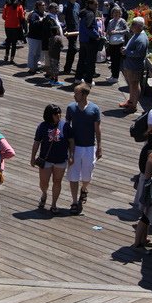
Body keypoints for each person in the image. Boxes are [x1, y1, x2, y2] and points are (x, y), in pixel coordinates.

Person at [30, 104, 74, 214]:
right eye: (56, 114)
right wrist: (32, 157)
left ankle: (54, 204)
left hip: (61, 159)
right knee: (43, 182)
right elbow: (36, 142)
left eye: (60, 113)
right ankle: (44, 193)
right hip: (46, 159)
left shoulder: (65, 126)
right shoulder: (42, 126)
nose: (59, 115)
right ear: (50, 115)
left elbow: (71, 141)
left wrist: (71, 155)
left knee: (57, 182)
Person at [65, 84, 101, 214]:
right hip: (75, 147)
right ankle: (74, 201)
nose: (74, 96)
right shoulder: (71, 108)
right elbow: (67, 127)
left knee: (87, 175)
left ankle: (84, 188)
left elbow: (97, 129)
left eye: (77, 93)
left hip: (89, 147)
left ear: (84, 95)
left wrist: (100, 146)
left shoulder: (94, 109)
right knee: (73, 175)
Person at [120, 17, 148, 113]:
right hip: (130, 65)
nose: (131, 26)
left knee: (135, 85)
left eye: (133, 24)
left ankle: (133, 106)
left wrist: (126, 52)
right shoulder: (137, 34)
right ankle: (130, 101)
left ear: (139, 26)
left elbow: (139, 53)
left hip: (135, 66)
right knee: (132, 85)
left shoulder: (141, 38)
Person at [74, 0, 99, 87]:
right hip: (90, 40)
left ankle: (77, 78)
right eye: (95, 4)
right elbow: (89, 27)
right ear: (90, 4)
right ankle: (88, 81)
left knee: (81, 60)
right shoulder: (90, 14)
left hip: (83, 40)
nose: (97, 6)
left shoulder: (83, 13)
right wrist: (97, 35)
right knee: (90, 61)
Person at [105, 7, 128, 84]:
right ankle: (113, 75)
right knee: (112, 60)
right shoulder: (110, 21)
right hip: (112, 43)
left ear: (120, 13)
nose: (116, 14)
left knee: (117, 60)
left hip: (119, 43)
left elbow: (127, 31)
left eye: (118, 12)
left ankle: (115, 77)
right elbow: (108, 31)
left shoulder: (122, 21)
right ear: (112, 13)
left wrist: (117, 32)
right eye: (115, 12)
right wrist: (109, 33)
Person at [2, 0, 25, 64]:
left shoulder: (6, 6)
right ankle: (12, 58)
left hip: (7, 25)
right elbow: (22, 17)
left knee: (8, 40)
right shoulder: (19, 6)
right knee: (14, 43)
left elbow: (3, 17)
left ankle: (6, 55)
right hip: (16, 26)